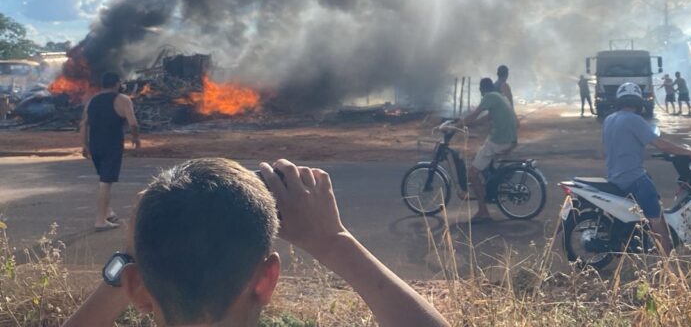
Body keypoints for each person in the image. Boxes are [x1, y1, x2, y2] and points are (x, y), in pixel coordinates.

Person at [61, 158, 449, 327]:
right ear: (267, 279)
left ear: (135, 288)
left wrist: (134, 255)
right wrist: (334, 241)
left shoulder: (132, 282)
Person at [603, 82, 691, 255]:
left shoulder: (609, 119)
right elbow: (661, 145)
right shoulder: (634, 120)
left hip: (614, 176)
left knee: (648, 184)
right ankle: (667, 261)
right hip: (633, 178)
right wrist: (688, 152)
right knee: (657, 217)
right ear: (638, 102)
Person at [80, 72, 140, 232]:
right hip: (111, 145)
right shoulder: (123, 99)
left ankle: (108, 212)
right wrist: (136, 138)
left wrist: (84, 145)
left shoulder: (92, 100)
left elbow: (84, 123)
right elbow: (133, 123)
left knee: (103, 179)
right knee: (105, 183)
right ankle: (100, 221)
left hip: (95, 145)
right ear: (117, 83)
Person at [456, 77, 518, 222]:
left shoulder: (489, 97)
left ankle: (483, 211)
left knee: (472, 173)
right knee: (477, 156)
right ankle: (484, 188)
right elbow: (488, 117)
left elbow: (474, 114)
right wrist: (472, 124)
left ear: (481, 89)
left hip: (498, 140)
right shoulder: (499, 96)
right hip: (508, 139)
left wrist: (458, 125)